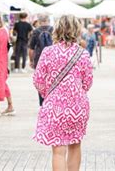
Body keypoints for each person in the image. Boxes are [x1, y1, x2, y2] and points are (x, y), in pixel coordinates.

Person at [33, 15, 93, 171]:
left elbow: (38, 80)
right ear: (76, 30)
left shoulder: (48, 52)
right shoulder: (83, 54)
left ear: (57, 29)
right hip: (77, 107)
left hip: (55, 107)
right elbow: (88, 83)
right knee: (75, 145)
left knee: (58, 152)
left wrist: (50, 94)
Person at [29, 14, 54, 106]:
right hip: (53, 59)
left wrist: (31, 61)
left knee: (41, 81)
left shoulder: (35, 31)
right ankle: (51, 101)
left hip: (39, 59)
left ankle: (42, 103)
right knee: (53, 80)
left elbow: (31, 49)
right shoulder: (53, 30)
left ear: (39, 22)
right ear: (48, 20)